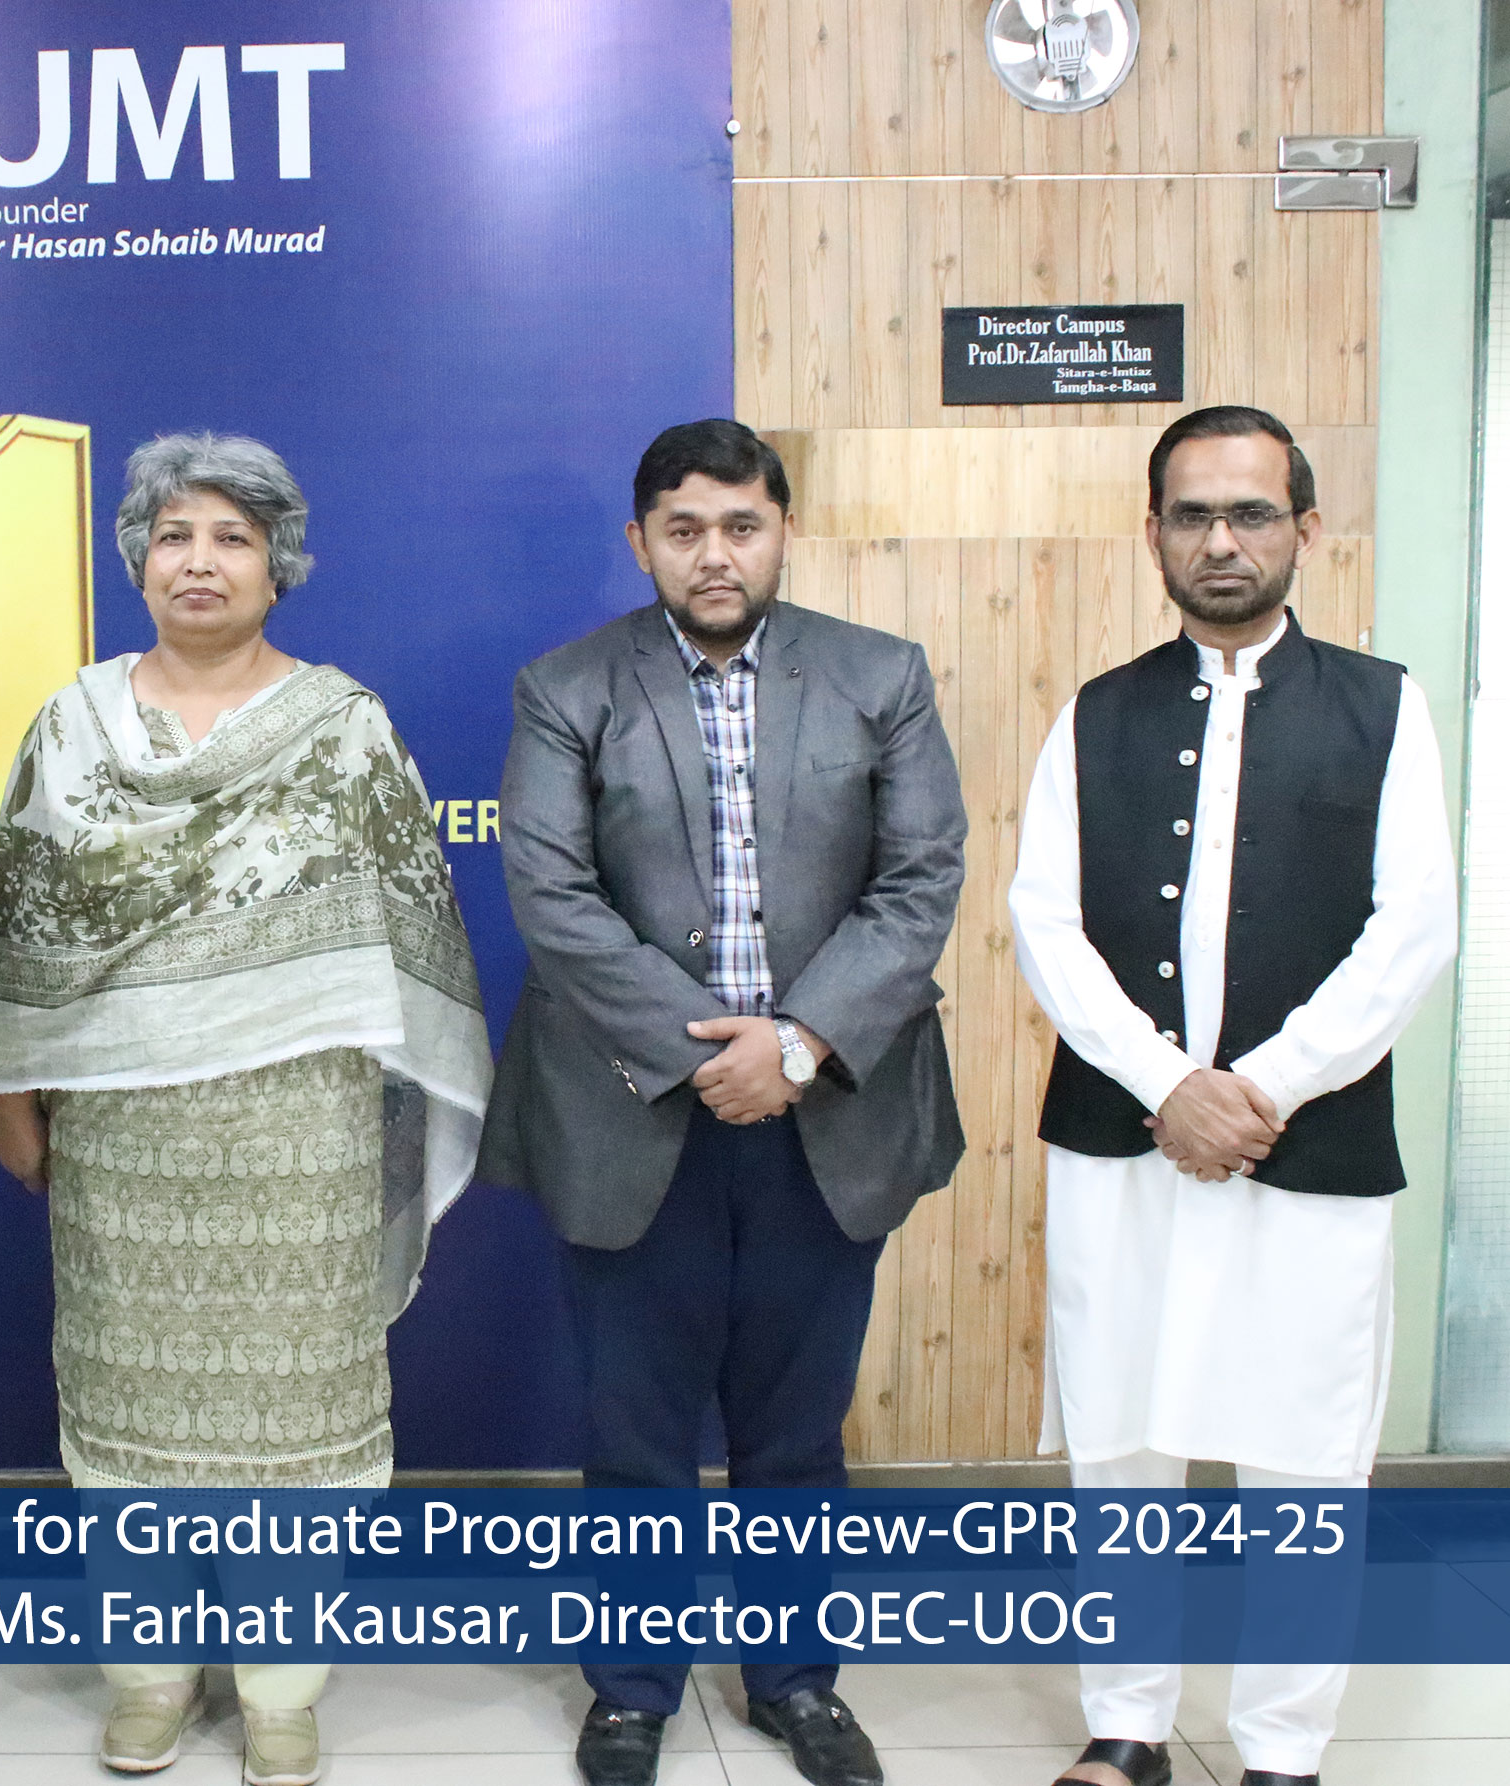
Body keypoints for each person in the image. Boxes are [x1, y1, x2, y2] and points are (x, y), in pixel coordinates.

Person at [0, 432, 491, 1786]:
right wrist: (17, 1092)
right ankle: (149, 1674)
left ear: (278, 566)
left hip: (298, 1120)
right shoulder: (74, 724)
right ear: (137, 559)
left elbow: (409, 920)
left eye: (232, 538)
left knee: (298, 1416)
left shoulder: (343, 724)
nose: (199, 561)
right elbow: (20, 920)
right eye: (174, 535)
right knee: (129, 1402)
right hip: (122, 1128)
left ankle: (281, 1685)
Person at [479, 419, 966, 1786]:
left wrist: (797, 1044)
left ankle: (797, 1681)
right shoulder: (567, 687)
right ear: (640, 542)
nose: (714, 554)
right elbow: (552, 896)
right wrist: (706, 1053)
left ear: (782, 531)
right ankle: (631, 1690)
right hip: (631, 1109)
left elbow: (922, 875)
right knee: (634, 1432)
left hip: (829, 1112)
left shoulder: (880, 675)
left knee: (796, 1431)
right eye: (683, 529)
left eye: (741, 525)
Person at [1009, 406, 1456, 1786]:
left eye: (1251, 513)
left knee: (1306, 1461)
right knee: (1121, 1444)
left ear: (1305, 530)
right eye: (1192, 514)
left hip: (1309, 1144)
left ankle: (1281, 1751)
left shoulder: (1385, 706)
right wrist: (1167, 1085)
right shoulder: (1096, 712)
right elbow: (1044, 923)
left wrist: (1255, 1087)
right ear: (1152, 534)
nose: (1221, 540)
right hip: (1122, 1138)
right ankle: (1128, 1726)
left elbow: (1414, 931)